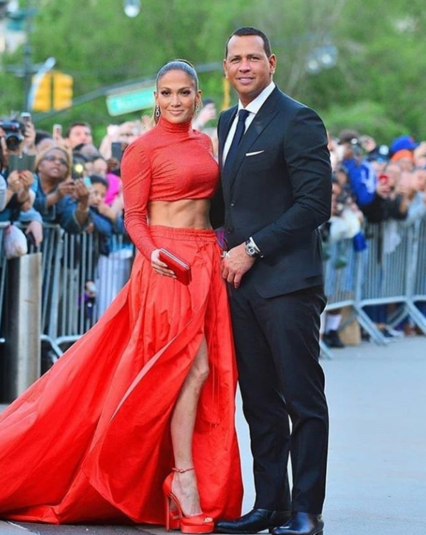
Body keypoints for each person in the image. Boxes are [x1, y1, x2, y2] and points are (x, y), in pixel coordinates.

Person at [0, 60, 242, 530]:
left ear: (197, 97)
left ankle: (172, 477)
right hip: (166, 264)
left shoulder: (204, 143)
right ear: (156, 98)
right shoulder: (142, 148)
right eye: (166, 93)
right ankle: (183, 479)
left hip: (205, 259)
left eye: (184, 92)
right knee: (186, 368)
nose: (175, 101)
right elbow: (133, 216)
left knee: (201, 373)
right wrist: (153, 253)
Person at [214, 27, 332, 535]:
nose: (245, 66)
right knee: (260, 402)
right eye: (236, 59)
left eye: (253, 58)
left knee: (302, 401)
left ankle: (307, 511)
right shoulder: (227, 121)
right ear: (226, 68)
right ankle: (272, 505)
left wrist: (252, 249)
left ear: (271, 63)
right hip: (240, 289)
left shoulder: (298, 119)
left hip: (287, 285)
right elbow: (228, 203)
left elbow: (314, 205)